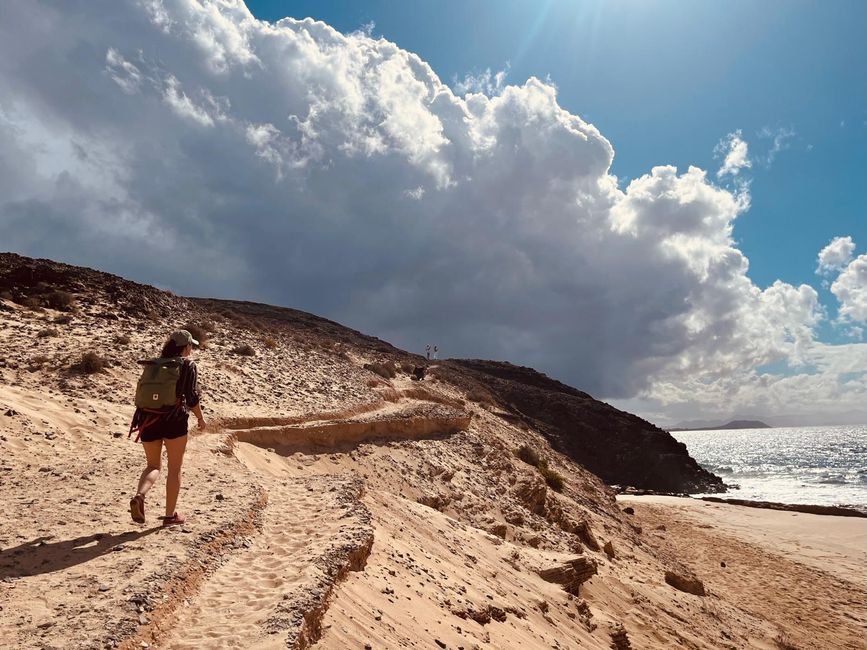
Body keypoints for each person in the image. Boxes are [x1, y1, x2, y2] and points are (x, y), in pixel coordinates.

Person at [129, 329, 206, 526]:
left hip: (148, 419)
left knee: (153, 465)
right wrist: (200, 418)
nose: (192, 349)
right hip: (174, 421)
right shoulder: (187, 365)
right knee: (174, 469)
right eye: (191, 345)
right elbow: (191, 397)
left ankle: (140, 496)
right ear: (186, 347)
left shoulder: (154, 364)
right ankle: (170, 516)